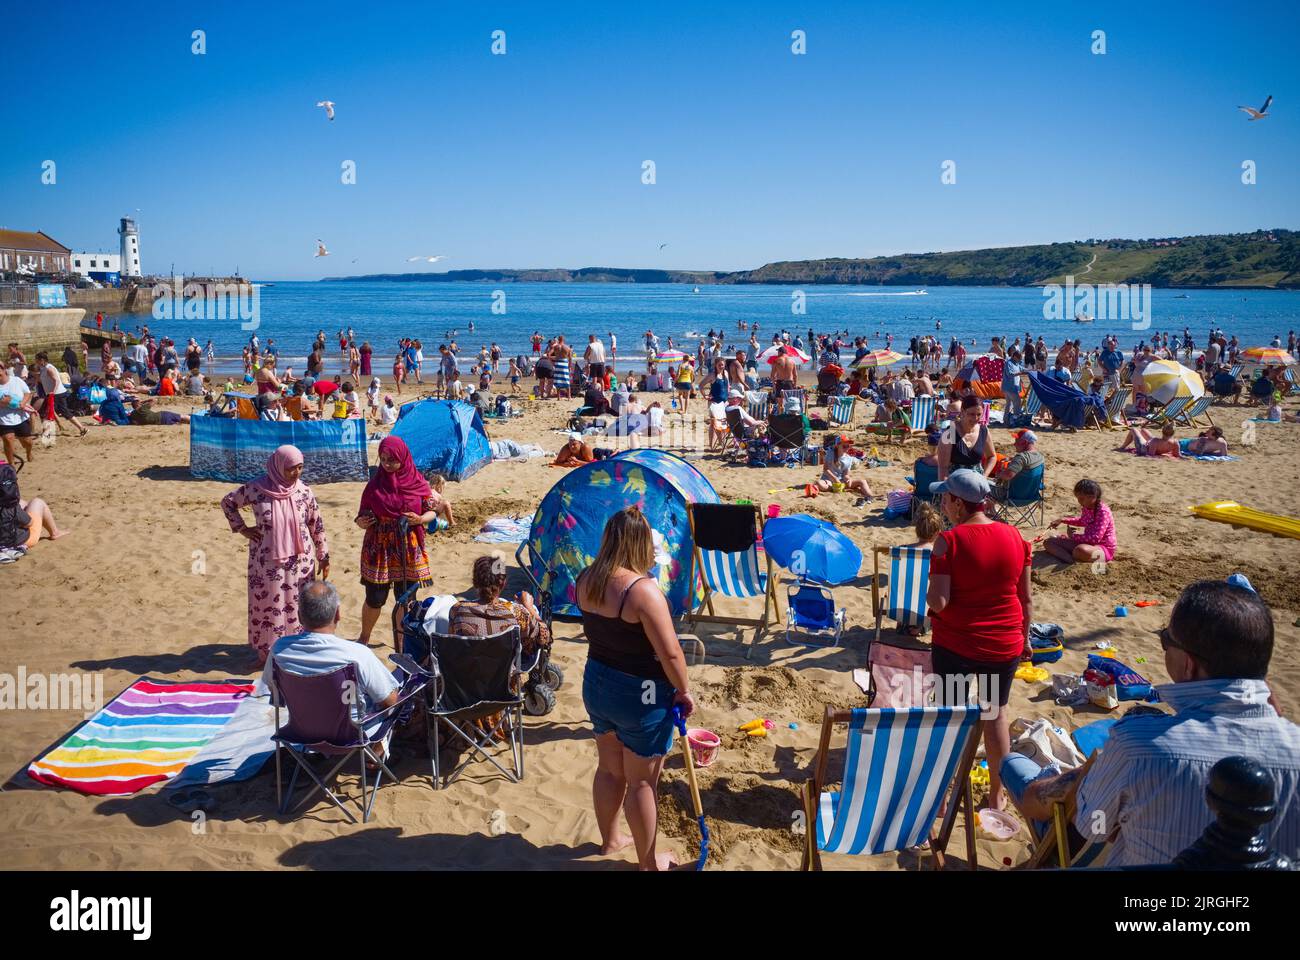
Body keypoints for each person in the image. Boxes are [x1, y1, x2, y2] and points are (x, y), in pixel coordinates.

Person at [1004, 578, 1300, 866]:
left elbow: (1092, 828)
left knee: (1014, 765)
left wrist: (1077, 780)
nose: (1164, 645)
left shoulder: (1140, 746)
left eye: (1165, 639)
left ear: (1188, 663)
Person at [577, 507, 695, 870]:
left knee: (610, 770)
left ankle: (610, 839)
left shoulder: (585, 579)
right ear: (642, 544)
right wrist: (685, 691)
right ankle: (647, 863)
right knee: (642, 783)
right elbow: (671, 653)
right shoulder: (642, 591)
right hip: (640, 692)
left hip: (597, 681)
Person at [926, 469, 1032, 811]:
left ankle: (941, 797)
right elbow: (1025, 598)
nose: (942, 503)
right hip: (1003, 643)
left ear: (958, 503)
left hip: (958, 645)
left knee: (950, 716)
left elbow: (939, 602)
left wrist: (926, 590)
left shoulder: (949, 541)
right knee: (994, 714)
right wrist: (1026, 638)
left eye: (945, 497)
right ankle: (998, 796)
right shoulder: (1015, 536)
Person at [221, 445, 330, 665]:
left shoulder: (304, 492)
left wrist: (323, 555)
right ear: (278, 466)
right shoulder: (257, 489)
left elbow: (316, 525)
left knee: (298, 605)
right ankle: (267, 653)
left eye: (300, 468)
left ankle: (296, 650)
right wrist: (242, 529)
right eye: (291, 468)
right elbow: (228, 503)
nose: (296, 473)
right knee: (269, 606)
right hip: (267, 565)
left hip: (300, 563)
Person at [263, 581, 400, 748]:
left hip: (301, 734)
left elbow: (275, 692)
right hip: (352, 736)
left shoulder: (279, 650)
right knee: (395, 690)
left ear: (299, 616)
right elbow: (390, 701)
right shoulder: (356, 654)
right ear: (337, 615)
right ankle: (377, 751)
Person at [356, 437, 438, 648]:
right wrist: (362, 522)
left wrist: (420, 519)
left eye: (392, 460)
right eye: (383, 459)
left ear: (403, 458)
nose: (387, 464)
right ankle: (364, 637)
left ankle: (403, 641)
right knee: (375, 596)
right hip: (379, 547)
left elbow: (432, 511)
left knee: (405, 597)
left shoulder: (417, 483)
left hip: (407, 546)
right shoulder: (375, 485)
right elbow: (361, 515)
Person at [0, 456, 68, 552]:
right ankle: (55, 533)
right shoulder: (10, 506)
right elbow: (29, 523)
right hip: (21, 541)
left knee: (22, 503)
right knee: (37, 502)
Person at [1044, 478, 1116, 566]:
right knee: (1048, 542)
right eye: (1078, 499)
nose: (1079, 502)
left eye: (1081, 499)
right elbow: (1082, 521)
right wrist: (1062, 520)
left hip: (1103, 548)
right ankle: (1070, 560)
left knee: (1080, 550)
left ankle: (1072, 556)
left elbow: (1096, 538)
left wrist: (1073, 536)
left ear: (1092, 496)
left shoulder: (1103, 512)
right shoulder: (1087, 507)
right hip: (1087, 544)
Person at [937, 395, 995, 478]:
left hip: (977, 482)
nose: (975, 418)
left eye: (979, 414)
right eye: (971, 414)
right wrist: (945, 489)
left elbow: (992, 456)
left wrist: (984, 476)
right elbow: (943, 467)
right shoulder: (950, 433)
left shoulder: (983, 431)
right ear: (962, 411)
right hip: (954, 483)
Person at [35, 352, 87, 437]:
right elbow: (45, 381)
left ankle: (82, 428)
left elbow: (56, 380)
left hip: (57, 394)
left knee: (58, 412)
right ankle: (82, 428)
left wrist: (53, 392)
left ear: (42, 360)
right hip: (51, 394)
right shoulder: (43, 368)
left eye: (37, 360)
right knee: (47, 411)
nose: (36, 362)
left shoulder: (49, 368)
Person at [818, 434, 876, 502]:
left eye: (848, 446)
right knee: (819, 483)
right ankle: (833, 488)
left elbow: (845, 474)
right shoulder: (830, 453)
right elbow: (825, 469)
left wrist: (847, 478)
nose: (847, 448)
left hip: (841, 482)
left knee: (862, 482)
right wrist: (835, 479)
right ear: (837, 446)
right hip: (829, 480)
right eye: (844, 446)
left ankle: (870, 496)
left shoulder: (849, 458)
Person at [0, 363, 36, 469]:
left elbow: (27, 393)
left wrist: (23, 403)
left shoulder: (16, 380)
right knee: (8, 439)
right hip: (3, 418)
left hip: (20, 417)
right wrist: (3, 403)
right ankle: (11, 464)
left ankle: (28, 452)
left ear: (3, 370)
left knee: (27, 441)